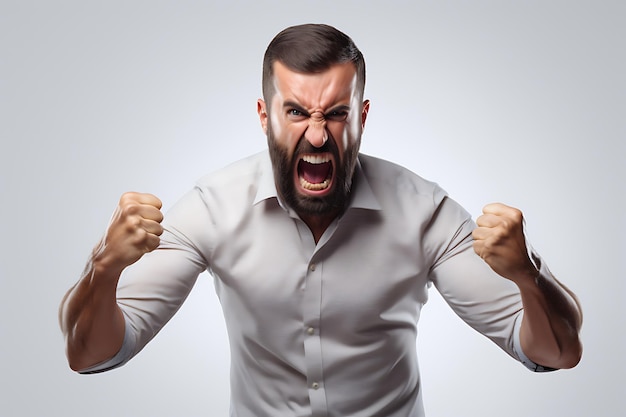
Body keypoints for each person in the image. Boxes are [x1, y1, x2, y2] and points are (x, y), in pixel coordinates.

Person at [59, 23, 582, 417]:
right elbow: (92, 355)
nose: (315, 135)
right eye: (295, 113)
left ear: (362, 115)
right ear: (264, 116)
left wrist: (527, 275)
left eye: (335, 113)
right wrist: (105, 268)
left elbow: (554, 353)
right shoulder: (212, 207)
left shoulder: (424, 212)